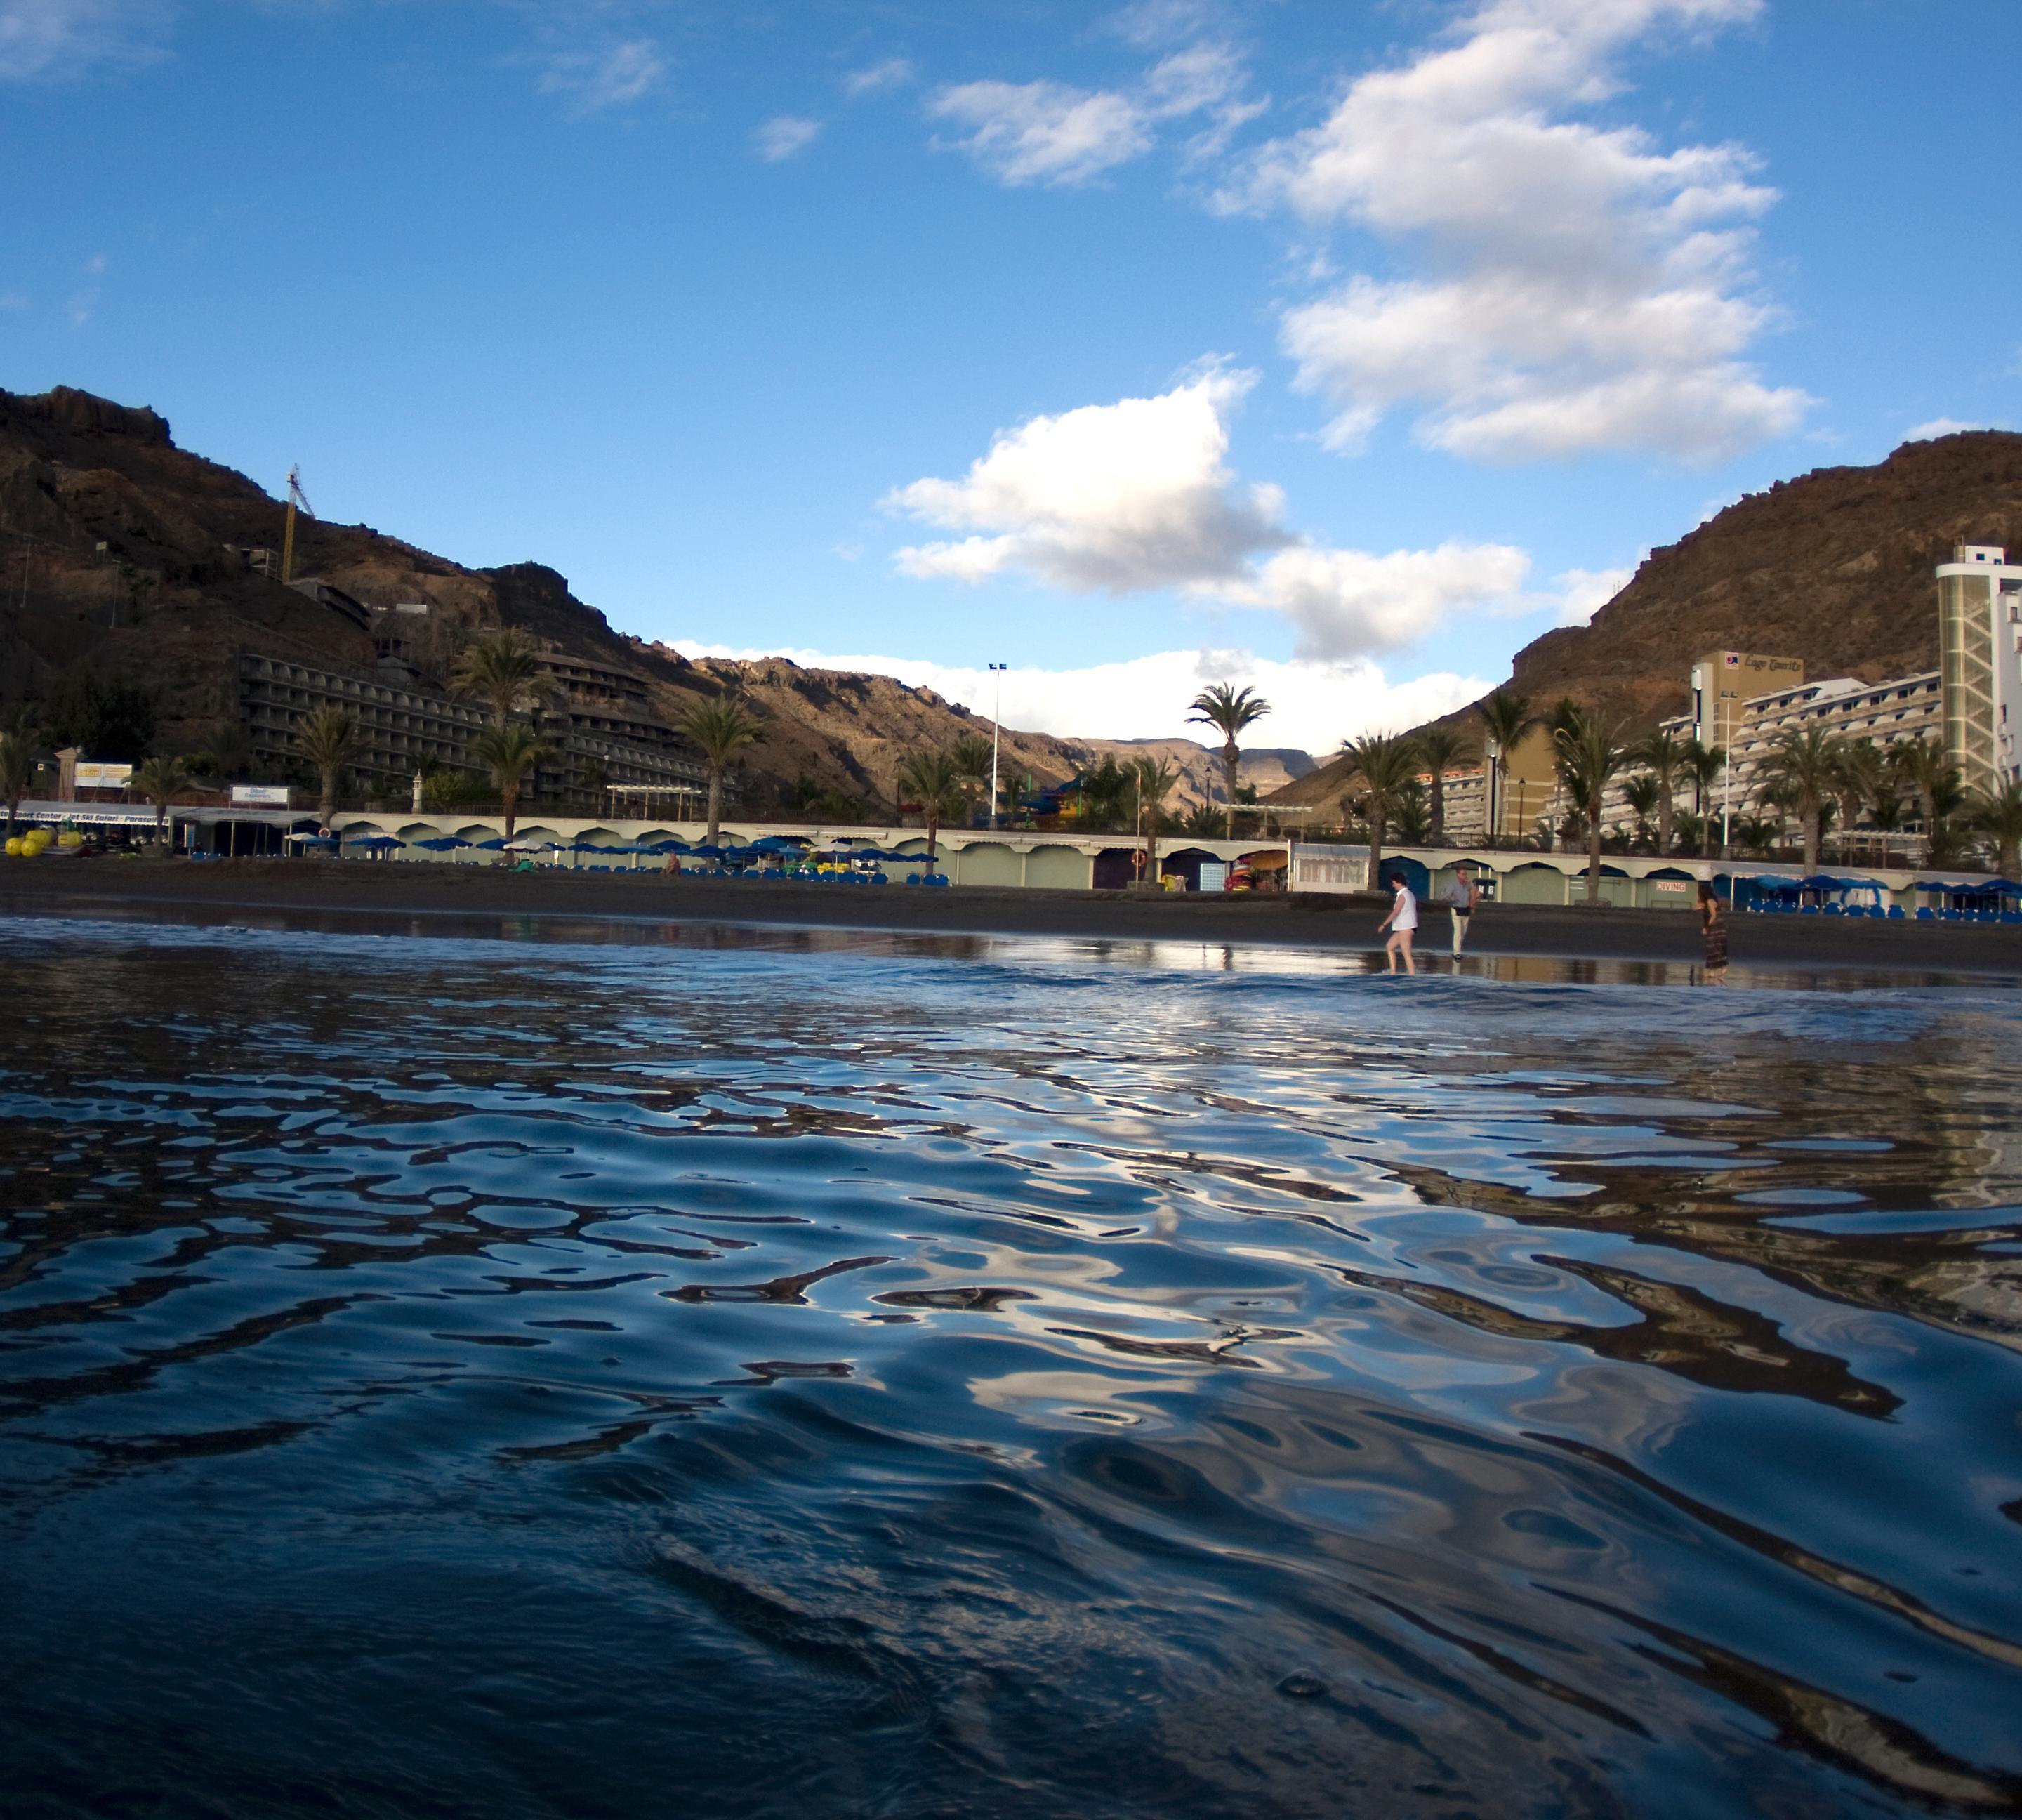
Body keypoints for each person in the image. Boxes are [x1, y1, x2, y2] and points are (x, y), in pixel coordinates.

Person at [1378, 871, 1418, 974]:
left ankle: (1412, 976)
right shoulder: (1409, 894)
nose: (1393, 885)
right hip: (1404, 927)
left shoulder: (1403, 895)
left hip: (1406, 927)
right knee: (1390, 947)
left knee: (1406, 953)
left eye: (1394, 883)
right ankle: (1393, 971)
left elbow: (1396, 912)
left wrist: (1384, 924)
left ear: (1399, 883)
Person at [1441, 863, 1480, 959]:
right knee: (1458, 931)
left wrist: (1473, 906)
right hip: (1456, 909)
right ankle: (1457, 952)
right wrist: (1451, 898)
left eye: (1465, 874)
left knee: (1463, 932)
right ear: (1458, 875)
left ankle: (1458, 949)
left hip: (1466, 910)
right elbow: (1445, 897)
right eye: (1463, 874)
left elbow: (1474, 895)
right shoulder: (1453, 885)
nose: (1465, 876)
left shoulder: (1469, 885)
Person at [1698, 880, 1729, 984]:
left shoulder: (1709, 901)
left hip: (1715, 926)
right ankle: (1713, 971)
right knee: (1717, 947)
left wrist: (1707, 927)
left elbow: (1713, 915)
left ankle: (1719, 969)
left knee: (1713, 947)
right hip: (1719, 925)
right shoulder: (1712, 900)